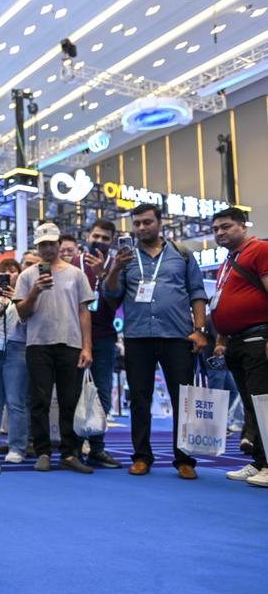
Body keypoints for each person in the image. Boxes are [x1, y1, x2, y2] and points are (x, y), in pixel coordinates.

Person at [104, 203, 207, 479]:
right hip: (138, 337)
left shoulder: (181, 254)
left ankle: (184, 459)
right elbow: (111, 295)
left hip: (177, 336)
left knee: (182, 400)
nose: (141, 228)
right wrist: (115, 268)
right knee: (139, 398)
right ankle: (141, 457)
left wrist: (200, 329)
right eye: (137, 223)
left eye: (147, 222)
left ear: (159, 223)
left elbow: (197, 292)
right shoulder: (126, 258)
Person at [14, 222, 95, 474]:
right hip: (38, 344)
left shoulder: (76, 274)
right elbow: (22, 313)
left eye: (51, 243)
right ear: (37, 247)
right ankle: (43, 452)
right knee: (39, 400)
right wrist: (35, 291)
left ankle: (69, 453)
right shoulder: (27, 276)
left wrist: (87, 347)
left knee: (69, 400)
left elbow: (84, 311)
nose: (47, 249)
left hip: (70, 344)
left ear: (59, 244)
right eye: (42, 245)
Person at [210, 207, 268, 488]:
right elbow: (222, 303)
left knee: (265, 403)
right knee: (250, 406)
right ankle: (260, 461)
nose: (220, 232)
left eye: (227, 226)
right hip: (235, 343)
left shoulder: (258, 250)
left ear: (243, 226)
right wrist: (221, 341)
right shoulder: (228, 261)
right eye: (216, 228)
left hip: (259, 339)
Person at [75, 219, 121, 468]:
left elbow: (116, 303)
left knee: (102, 393)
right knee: (71, 392)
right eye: (96, 236)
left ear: (112, 241)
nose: (99, 241)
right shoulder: (73, 262)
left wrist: (104, 273)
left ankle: (97, 448)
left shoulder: (117, 265)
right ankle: (72, 448)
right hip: (73, 336)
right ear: (87, 236)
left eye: (105, 238)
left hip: (104, 336)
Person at [0, 258, 29, 462]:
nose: (9, 274)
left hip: (17, 347)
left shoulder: (25, 295)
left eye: (13, 270)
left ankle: (17, 446)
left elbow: (27, 321)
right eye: (4, 270)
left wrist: (17, 299)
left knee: (15, 401)